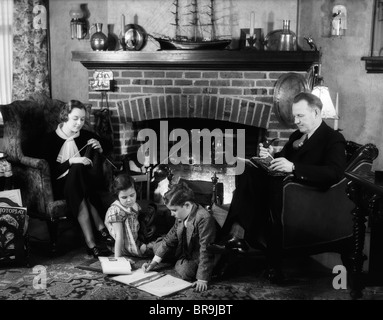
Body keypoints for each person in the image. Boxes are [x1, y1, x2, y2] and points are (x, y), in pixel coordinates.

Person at [210, 91, 347, 283]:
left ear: (316, 113)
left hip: (304, 198)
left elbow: (334, 173)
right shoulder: (297, 136)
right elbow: (281, 159)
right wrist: (270, 155)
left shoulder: (332, 138)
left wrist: (294, 167)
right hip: (281, 191)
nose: (296, 121)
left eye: (300, 116)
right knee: (248, 171)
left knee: (250, 189)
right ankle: (235, 237)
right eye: (294, 116)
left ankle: (234, 236)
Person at [40, 100, 114, 258]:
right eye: (75, 118)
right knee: (77, 168)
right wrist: (71, 161)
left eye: (82, 119)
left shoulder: (86, 136)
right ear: (65, 116)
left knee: (79, 175)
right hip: (59, 187)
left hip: (82, 185)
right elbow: (49, 172)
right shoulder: (48, 140)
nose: (79, 123)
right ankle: (100, 228)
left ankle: (91, 243)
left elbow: (109, 146)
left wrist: (100, 148)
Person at [142, 182, 217, 292]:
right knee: (158, 248)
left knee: (185, 271)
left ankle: (177, 260)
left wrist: (202, 279)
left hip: (196, 255)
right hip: (181, 248)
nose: (172, 214)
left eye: (174, 210)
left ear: (186, 205)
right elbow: (170, 238)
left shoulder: (204, 218)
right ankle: (171, 257)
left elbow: (206, 250)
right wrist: (154, 262)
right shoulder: (182, 214)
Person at [104, 173, 156, 258]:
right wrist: (118, 259)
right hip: (123, 246)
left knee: (161, 247)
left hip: (136, 241)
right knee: (157, 250)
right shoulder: (116, 210)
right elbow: (119, 237)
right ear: (117, 196)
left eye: (132, 195)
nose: (129, 200)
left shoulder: (134, 205)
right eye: (124, 197)